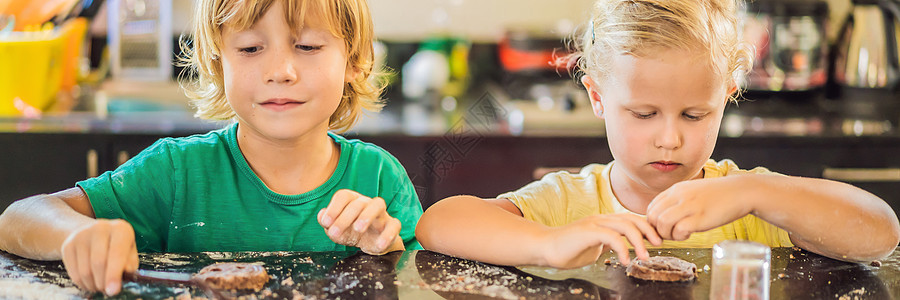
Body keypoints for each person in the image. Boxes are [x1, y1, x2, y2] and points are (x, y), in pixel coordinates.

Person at [416, 0, 900, 270]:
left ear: (726, 97)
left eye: (693, 115)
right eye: (643, 113)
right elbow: (438, 223)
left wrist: (756, 190)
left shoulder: (744, 202)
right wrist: (549, 242)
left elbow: (880, 233)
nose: (669, 139)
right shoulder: (568, 202)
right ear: (598, 97)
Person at [0, 0, 423, 296]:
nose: (280, 71)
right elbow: (15, 219)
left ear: (355, 61)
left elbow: (421, 286)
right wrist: (79, 234)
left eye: (308, 46)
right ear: (219, 65)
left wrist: (386, 253)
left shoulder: (380, 179)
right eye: (251, 48)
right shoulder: (177, 172)